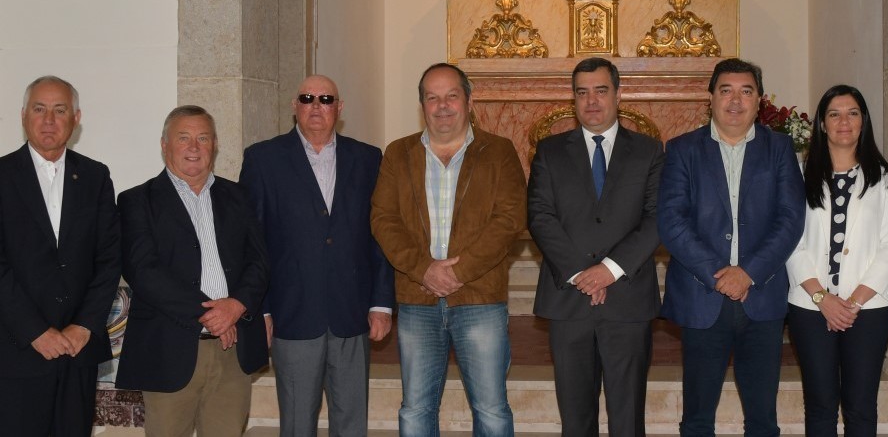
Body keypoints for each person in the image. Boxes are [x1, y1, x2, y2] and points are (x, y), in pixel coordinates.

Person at [371, 63, 527, 436]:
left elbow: (509, 219)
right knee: (415, 409)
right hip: (417, 299)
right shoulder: (398, 153)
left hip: (479, 299)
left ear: (469, 102)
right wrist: (423, 269)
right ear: (422, 105)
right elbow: (383, 219)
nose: (442, 106)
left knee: (491, 409)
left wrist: (458, 271)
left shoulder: (499, 151)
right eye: (432, 97)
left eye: (451, 96)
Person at [659, 57, 805, 436]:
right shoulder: (682, 149)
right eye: (726, 91)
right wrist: (719, 275)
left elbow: (791, 219)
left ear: (759, 100)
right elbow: (671, 221)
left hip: (762, 296)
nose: (736, 101)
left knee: (762, 420)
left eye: (746, 91)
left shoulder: (779, 149)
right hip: (703, 295)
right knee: (697, 419)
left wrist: (749, 273)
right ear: (710, 98)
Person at [240, 75, 391, 437]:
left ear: (339, 108)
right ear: (295, 106)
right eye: (307, 98)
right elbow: (251, 242)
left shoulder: (368, 159)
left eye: (326, 99)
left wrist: (381, 303)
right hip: (292, 315)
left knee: (352, 422)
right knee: (296, 423)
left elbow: (381, 236)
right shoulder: (263, 159)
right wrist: (261, 309)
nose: (316, 106)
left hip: (352, 312)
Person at [0, 76, 120, 437]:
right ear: (24, 115)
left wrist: (84, 325)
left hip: (78, 349)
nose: (49, 120)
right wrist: (36, 332)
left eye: (60, 110)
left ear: (76, 118)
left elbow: (109, 258)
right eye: (39, 109)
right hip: (18, 350)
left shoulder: (96, 176)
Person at [528, 57, 664, 436]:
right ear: (573, 98)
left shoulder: (649, 151)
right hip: (568, 300)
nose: (591, 101)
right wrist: (580, 273)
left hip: (628, 300)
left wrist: (609, 270)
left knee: (627, 420)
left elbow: (657, 218)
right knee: (575, 421)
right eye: (582, 92)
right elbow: (539, 216)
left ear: (618, 95)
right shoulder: (550, 151)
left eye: (601, 91)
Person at [115, 105, 270, 437]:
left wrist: (236, 306)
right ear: (165, 145)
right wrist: (211, 314)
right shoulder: (136, 201)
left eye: (203, 138)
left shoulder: (239, 196)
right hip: (169, 350)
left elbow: (259, 261)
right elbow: (143, 271)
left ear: (215, 144)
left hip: (233, 349)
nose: (194, 147)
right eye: (183, 138)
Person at [785, 84, 888, 437]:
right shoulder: (798, 174)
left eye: (852, 113)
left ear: (863, 121)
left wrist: (853, 302)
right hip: (810, 307)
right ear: (822, 123)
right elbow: (790, 241)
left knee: (861, 407)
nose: (844, 122)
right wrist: (822, 298)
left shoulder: (884, 178)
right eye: (834, 114)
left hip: (867, 309)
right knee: (820, 405)